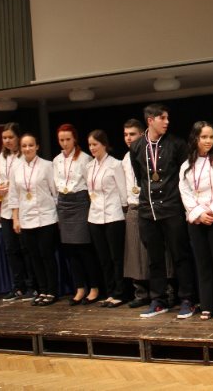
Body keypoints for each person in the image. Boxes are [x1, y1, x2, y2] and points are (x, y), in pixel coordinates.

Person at [131, 104, 198, 318]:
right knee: (154, 259)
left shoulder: (177, 144)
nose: (167, 122)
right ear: (150, 120)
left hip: (171, 208)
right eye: (162, 118)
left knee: (180, 255)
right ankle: (158, 300)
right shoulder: (137, 146)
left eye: (168, 118)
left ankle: (187, 299)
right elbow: (140, 176)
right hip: (147, 209)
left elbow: (185, 176)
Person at [179, 121, 213, 321]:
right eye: (204, 137)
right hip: (197, 220)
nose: (208, 141)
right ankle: (207, 305)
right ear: (195, 138)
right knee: (203, 264)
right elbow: (185, 192)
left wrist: (212, 211)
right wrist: (198, 214)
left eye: (211, 137)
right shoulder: (186, 165)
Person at [11, 133, 60, 306]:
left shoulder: (47, 165)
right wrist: (15, 219)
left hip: (46, 217)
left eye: (31, 145)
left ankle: (52, 291)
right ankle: (42, 290)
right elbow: (14, 195)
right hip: (26, 218)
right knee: (34, 257)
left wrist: (58, 215)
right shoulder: (16, 168)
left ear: (37, 146)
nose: (27, 149)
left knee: (47, 256)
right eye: (24, 146)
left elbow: (55, 192)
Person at [53, 124, 98, 305]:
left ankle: (94, 287)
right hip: (64, 203)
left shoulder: (85, 158)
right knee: (70, 250)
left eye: (68, 139)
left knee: (84, 249)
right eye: (61, 140)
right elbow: (55, 184)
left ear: (75, 139)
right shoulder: (56, 160)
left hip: (80, 201)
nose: (65, 143)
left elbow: (90, 184)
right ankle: (80, 288)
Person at [87, 129, 130, 308]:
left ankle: (121, 293)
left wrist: (124, 210)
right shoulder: (89, 166)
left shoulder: (115, 164)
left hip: (114, 216)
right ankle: (110, 292)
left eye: (95, 144)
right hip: (95, 216)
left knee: (116, 257)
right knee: (104, 258)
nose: (92, 148)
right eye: (90, 145)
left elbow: (123, 191)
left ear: (104, 144)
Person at [0, 122, 36, 302]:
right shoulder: (2, 156)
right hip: (6, 209)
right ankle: (18, 286)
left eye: (11, 137)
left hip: (23, 207)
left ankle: (32, 285)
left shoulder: (24, 156)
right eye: (4, 138)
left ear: (18, 137)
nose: (7, 141)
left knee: (26, 248)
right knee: (11, 249)